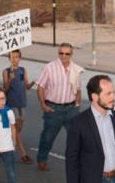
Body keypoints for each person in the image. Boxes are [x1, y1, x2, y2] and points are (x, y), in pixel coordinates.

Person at [35, 43, 83, 171]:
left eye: (67, 54)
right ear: (58, 53)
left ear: (71, 55)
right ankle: (42, 159)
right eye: (61, 53)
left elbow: (77, 87)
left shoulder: (75, 69)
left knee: (76, 138)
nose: (64, 56)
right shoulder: (49, 67)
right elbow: (40, 87)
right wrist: (43, 105)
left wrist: (77, 103)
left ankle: (75, 163)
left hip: (71, 110)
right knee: (47, 137)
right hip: (53, 109)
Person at [2, 49, 34, 164]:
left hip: (22, 102)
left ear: (20, 58)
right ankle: (23, 153)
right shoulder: (6, 71)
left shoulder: (22, 70)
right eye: (12, 57)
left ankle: (8, 138)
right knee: (15, 128)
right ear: (9, 58)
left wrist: (34, 82)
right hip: (12, 103)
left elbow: (27, 86)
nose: (14, 59)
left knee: (19, 127)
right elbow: (5, 88)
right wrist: (10, 79)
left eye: (16, 57)